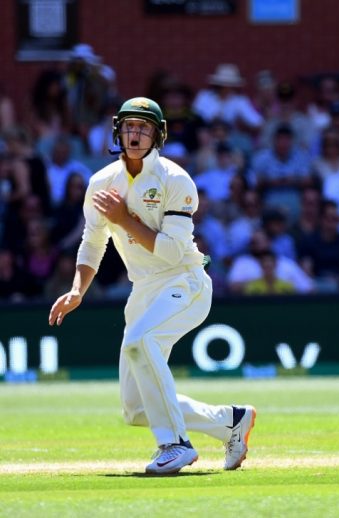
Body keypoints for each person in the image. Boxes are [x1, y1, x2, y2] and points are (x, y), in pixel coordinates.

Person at [47, 97, 256, 474]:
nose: (135, 133)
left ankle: (175, 445)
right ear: (118, 131)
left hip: (185, 281)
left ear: (157, 135)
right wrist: (78, 288)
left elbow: (173, 253)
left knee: (141, 342)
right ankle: (230, 421)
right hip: (142, 290)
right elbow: (93, 242)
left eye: (144, 127)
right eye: (130, 126)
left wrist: (124, 219)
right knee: (137, 407)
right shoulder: (101, 182)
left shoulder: (175, 179)